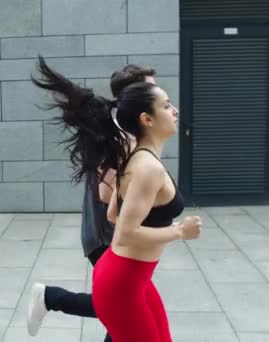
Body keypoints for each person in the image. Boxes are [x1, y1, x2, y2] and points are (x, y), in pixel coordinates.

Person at [32, 56, 202, 342]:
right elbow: (123, 229)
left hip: (129, 277)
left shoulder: (138, 157)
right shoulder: (144, 164)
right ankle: (51, 298)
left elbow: (113, 214)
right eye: (166, 105)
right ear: (146, 118)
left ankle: (50, 298)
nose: (175, 111)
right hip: (121, 280)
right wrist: (179, 232)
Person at [27, 65, 158, 342]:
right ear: (132, 97)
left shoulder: (125, 132)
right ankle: (51, 297)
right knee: (128, 309)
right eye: (151, 89)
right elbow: (105, 192)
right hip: (106, 237)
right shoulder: (120, 137)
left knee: (127, 311)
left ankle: (50, 297)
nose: (158, 93)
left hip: (116, 237)